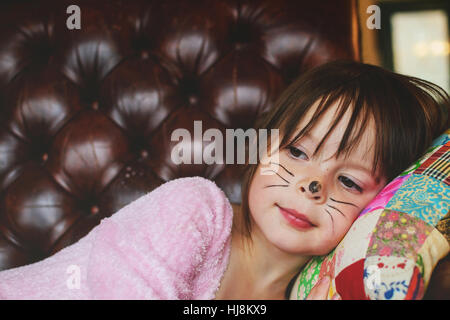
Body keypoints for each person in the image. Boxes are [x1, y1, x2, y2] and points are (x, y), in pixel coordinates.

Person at [0, 60, 448, 300]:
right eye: (296, 151)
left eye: (349, 182)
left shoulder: (312, 290)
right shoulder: (195, 209)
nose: (312, 185)